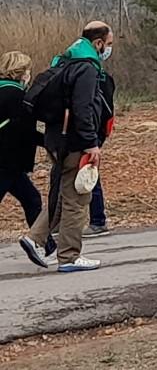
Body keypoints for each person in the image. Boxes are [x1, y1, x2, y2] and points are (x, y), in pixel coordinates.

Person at [19, 22, 113, 272]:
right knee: (77, 199)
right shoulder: (87, 68)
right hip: (74, 142)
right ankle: (69, 256)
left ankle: (36, 238)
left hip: (55, 137)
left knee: (63, 193)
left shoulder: (63, 62)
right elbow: (84, 108)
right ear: (98, 43)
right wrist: (91, 143)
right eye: (108, 44)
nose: (109, 49)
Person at [0, 52, 55, 258]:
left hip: (9, 163)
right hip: (8, 160)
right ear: (22, 72)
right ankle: (45, 246)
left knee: (31, 199)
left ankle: (46, 246)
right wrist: (50, 142)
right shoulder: (17, 96)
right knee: (31, 200)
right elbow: (24, 131)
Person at [84, 71, 116, 238]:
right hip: (95, 132)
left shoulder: (91, 76)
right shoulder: (102, 76)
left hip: (90, 134)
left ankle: (98, 220)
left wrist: (93, 139)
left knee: (90, 175)